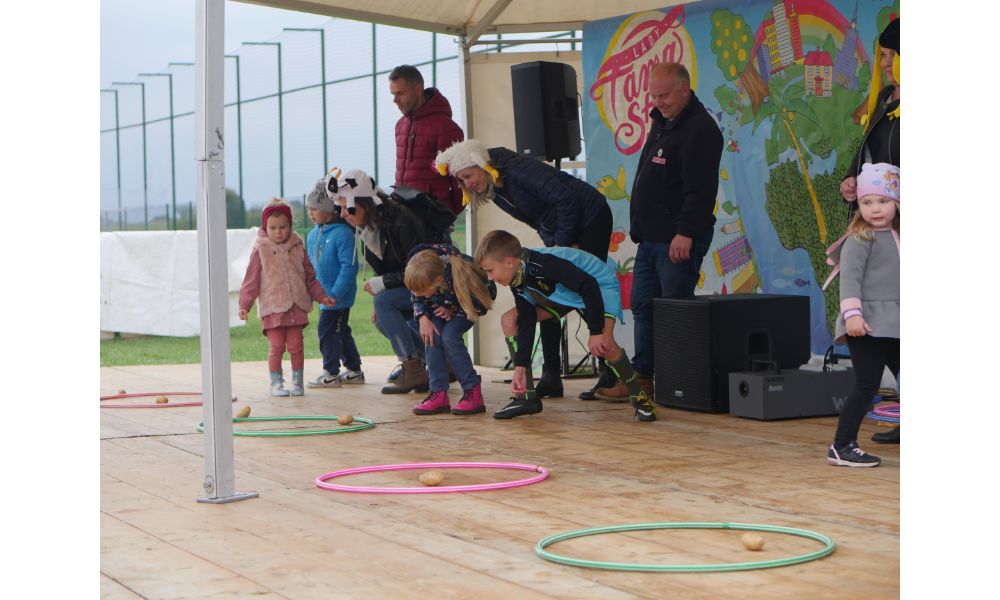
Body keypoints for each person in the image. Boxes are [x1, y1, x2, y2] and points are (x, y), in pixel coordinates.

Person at [434, 138, 614, 400]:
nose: (467, 184)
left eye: (469, 176)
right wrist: (554, 242)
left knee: (583, 291)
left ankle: (611, 372)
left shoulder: (516, 171)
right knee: (547, 291)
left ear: (482, 165)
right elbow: (537, 218)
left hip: (589, 218)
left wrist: (563, 248)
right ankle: (551, 374)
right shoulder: (494, 187)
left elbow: (565, 200)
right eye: (461, 180)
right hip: (561, 230)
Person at [596, 62, 723, 403]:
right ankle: (644, 377)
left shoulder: (700, 129)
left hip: (676, 239)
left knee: (673, 311)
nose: (658, 102)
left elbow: (700, 190)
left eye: (664, 95)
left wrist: (686, 232)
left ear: (685, 88)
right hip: (650, 238)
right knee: (642, 307)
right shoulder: (662, 122)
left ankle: (680, 381)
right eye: (654, 95)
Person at [474, 229, 656, 422]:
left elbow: (588, 285)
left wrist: (595, 331)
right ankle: (526, 397)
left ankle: (639, 396)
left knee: (605, 344)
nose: (490, 278)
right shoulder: (516, 275)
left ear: (509, 262)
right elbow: (526, 321)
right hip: (566, 292)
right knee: (509, 320)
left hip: (598, 284)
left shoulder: (544, 264)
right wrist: (520, 365)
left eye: (489, 271)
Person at [839, 18, 900, 444]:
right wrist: (853, 183)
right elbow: (867, 153)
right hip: (880, 219)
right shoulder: (884, 99)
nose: (883, 64)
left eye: (888, 56)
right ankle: (845, 442)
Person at [329, 168, 440, 394]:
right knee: (381, 316)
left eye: (344, 206)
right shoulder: (370, 226)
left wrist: (384, 287)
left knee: (383, 305)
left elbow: (422, 269)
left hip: (436, 288)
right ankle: (437, 359)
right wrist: (383, 292)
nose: (341, 214)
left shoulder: (401, 220)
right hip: (415, 289)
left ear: (363, 203)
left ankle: (413, 368)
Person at [825, 163, 899, 467]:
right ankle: (842, 445)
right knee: (867, 384)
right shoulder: (860, 238)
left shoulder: (898, 235)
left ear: (897, 202)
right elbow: (850, 280)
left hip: (897, 324)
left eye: (883, 201)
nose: (875, 209)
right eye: (867, 202)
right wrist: (852, 314)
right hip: (866, 324)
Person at [239, 198, 334, 396]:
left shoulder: (298, 246)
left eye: (283, 227)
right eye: (273, 227)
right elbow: (251, 280)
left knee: (296, 345)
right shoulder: (260, 250)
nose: (278, 232)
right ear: (265, 227)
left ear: (290, 225)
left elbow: (310, 277)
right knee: (276, 346)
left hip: (296, 306)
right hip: (272, 308)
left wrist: (321, 296)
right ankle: (276, 383)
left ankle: (297, 382)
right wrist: (244, 305)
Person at [404, 244, 497, 416]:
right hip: (439, 307)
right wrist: (423, 317)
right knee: (431, 335)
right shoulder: (419, 267)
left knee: (450, 337)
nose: (416, 293)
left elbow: (482, 301)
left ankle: (473, 393)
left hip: (467, 307)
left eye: (422, 291)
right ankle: (438, 394)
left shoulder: (466, 272)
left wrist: (454, 308)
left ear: (438, 281)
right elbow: (416, 296)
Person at [303, 178, 364, 389]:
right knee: (341, 331)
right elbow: (310, 267)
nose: (311, 212)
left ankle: (331, 373)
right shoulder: (312, 235)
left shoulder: (343, 234)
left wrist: (335, 294)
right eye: (308, 208)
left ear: (329, 208)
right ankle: (354, 370)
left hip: (337, 298)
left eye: (315, 208)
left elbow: (349, 267)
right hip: (324, 297)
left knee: (328, 332)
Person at [390, 65, 465, 215]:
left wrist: (446, 215)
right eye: (393, 94)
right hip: (403, 216)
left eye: (400, 93)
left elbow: (460, 179)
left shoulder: (446, 127)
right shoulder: (400, 126)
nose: (395, 100)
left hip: (432, 219)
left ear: (418, 89)